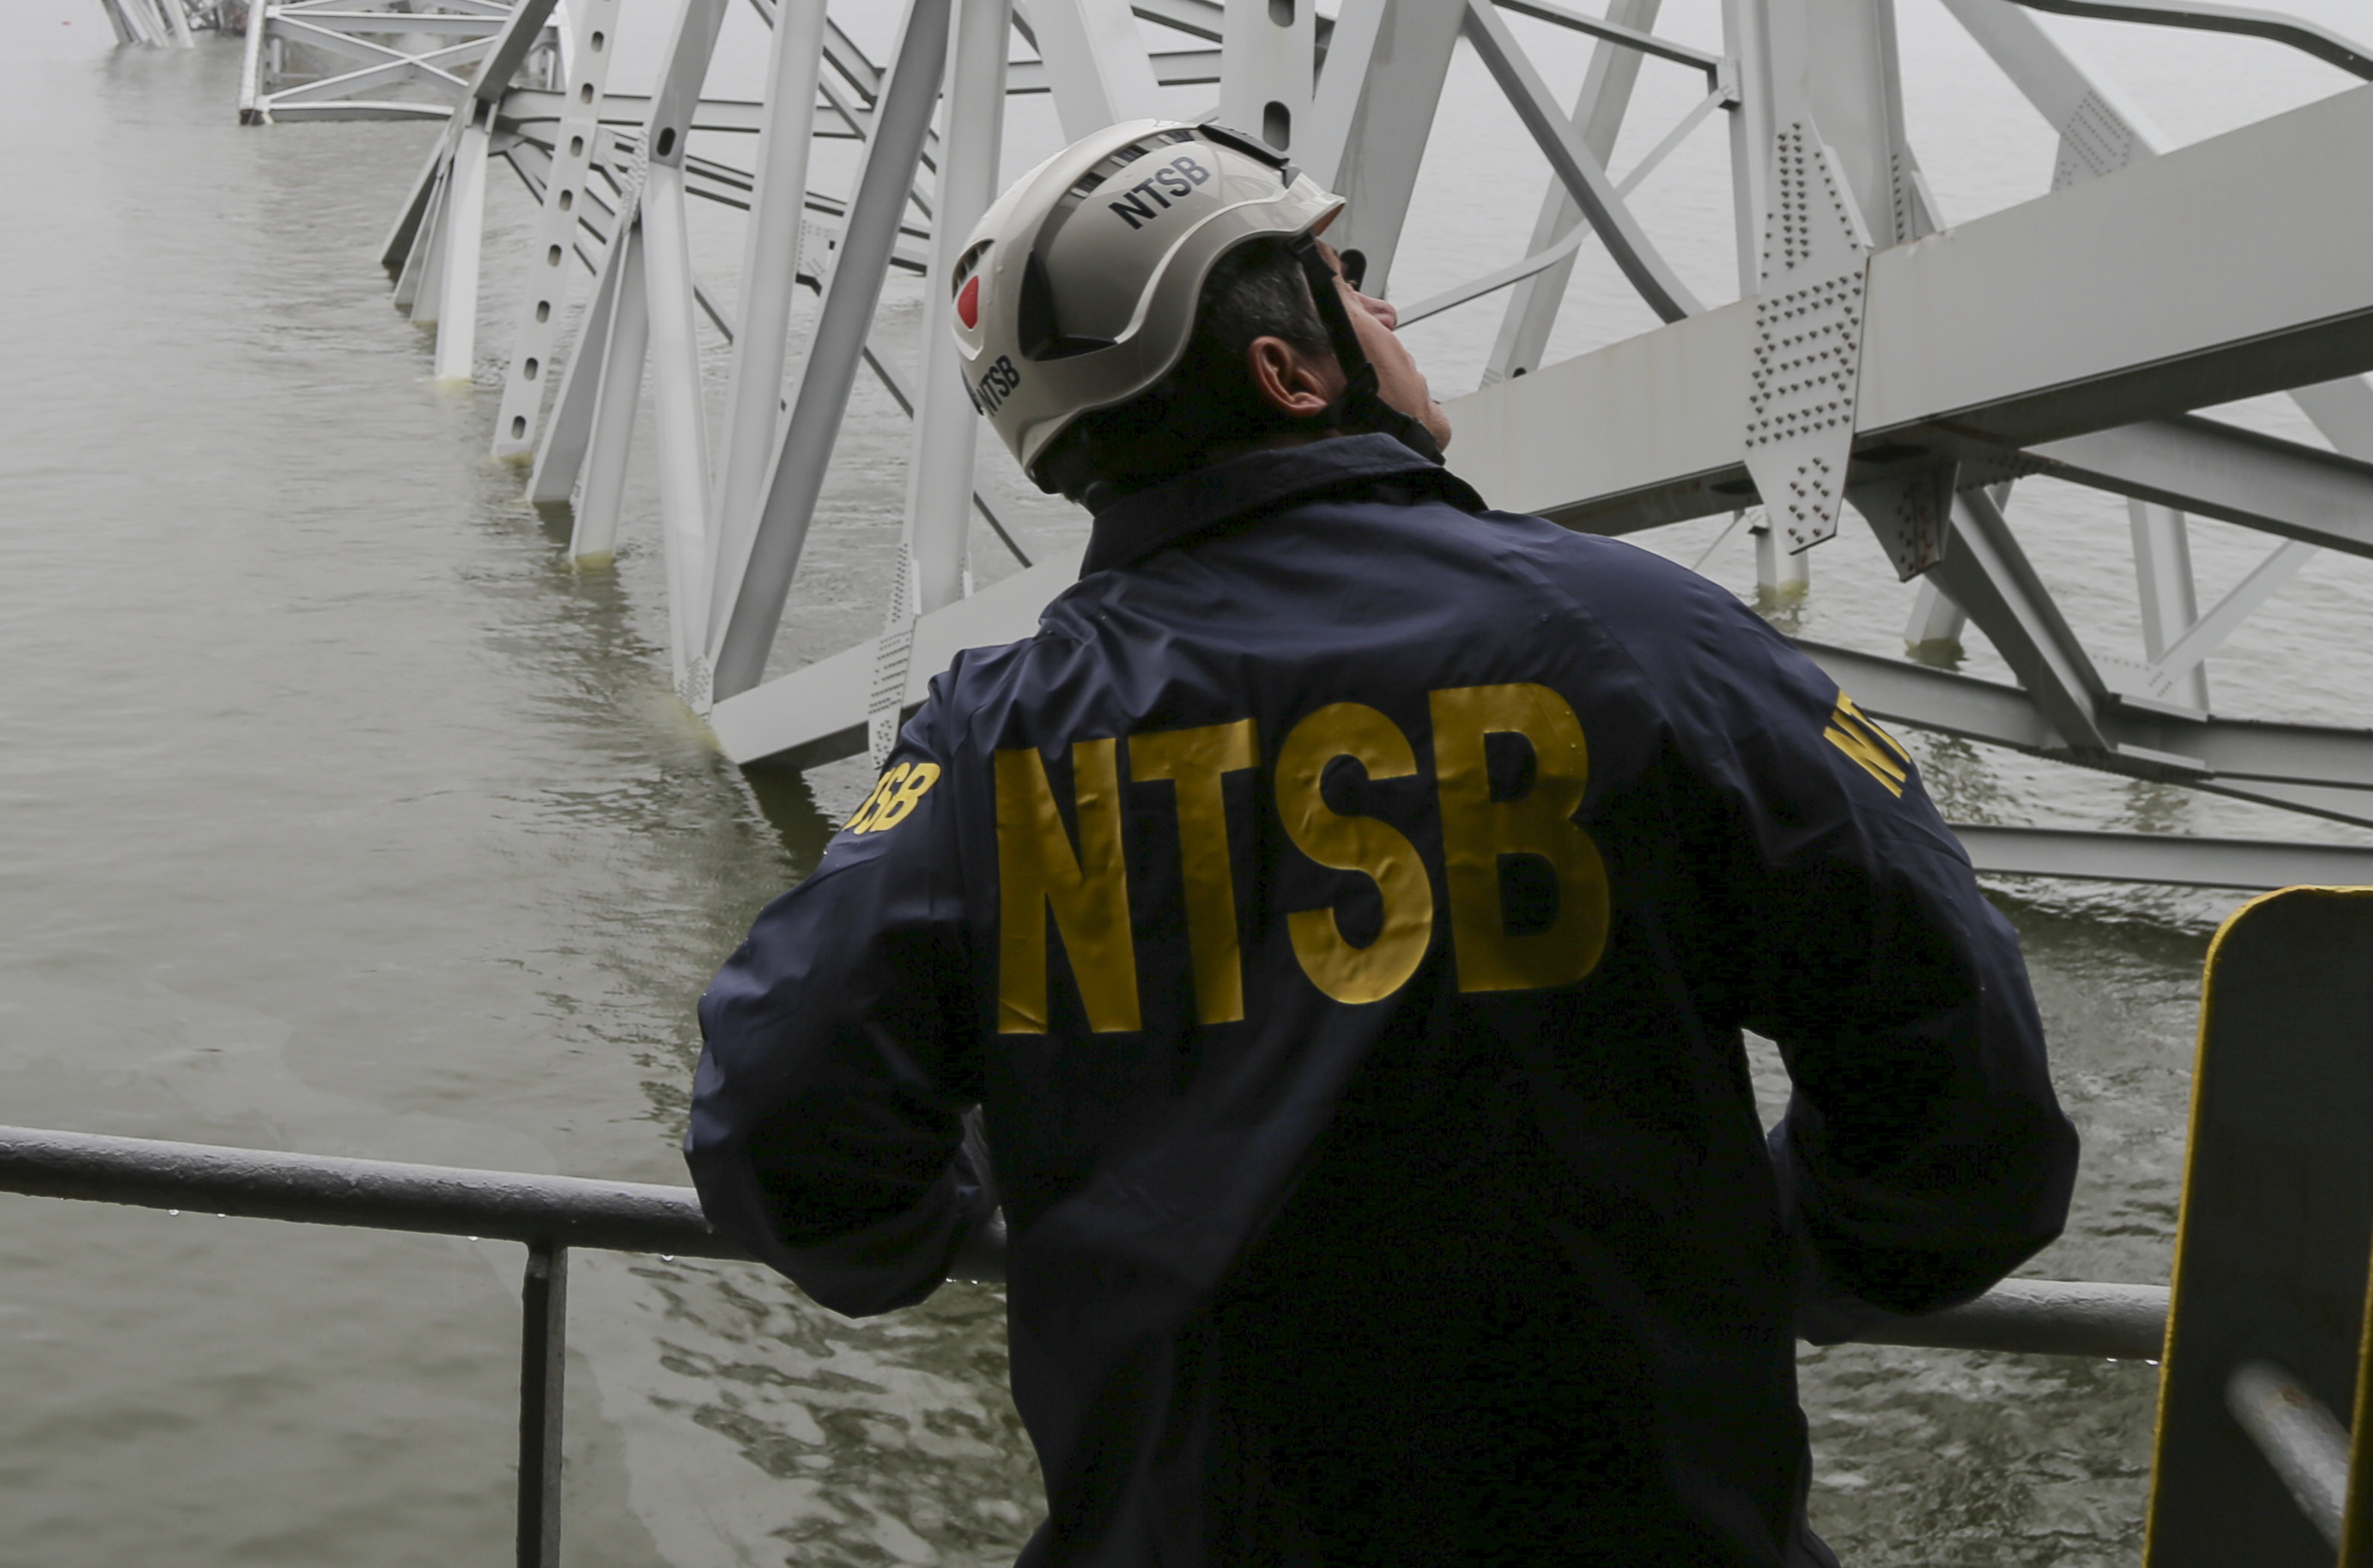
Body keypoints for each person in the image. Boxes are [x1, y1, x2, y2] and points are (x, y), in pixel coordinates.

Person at [685, 116, 2078, 1566]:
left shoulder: (988, 740)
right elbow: (1965, 1104)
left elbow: (784, 1132)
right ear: (1290, 375)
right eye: (1346, 280)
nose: (1389, 307)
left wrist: (968, 1218)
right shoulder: (1643, 641)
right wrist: (1766, 1259)